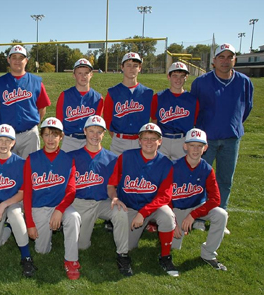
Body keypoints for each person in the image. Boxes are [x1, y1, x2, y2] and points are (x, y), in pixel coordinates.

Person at [190, 43, 253, 234]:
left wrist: (232, 125)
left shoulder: (244, 81)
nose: (225, 61)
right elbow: (194, 109)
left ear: (235, 59)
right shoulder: (201, 82)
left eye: (229, 57)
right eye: (221, 57)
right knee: (201, 178)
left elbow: (246, 108)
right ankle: (200, 216)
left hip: (231, 138)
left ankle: (220, 214)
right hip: (205, 140)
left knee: (225, 179)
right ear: (214, 61)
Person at [107, 123, 178, 277]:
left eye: (153, 139)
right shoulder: (126, 157)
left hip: (151, 207)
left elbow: (165, 196)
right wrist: (115, 198)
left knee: (168, 216)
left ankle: (165, 257)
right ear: (139, 140)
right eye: (145, 138)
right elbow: (112, 184)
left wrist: (144, 212)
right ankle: (127, 245)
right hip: (130, 207)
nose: (149, 142)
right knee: (129, 246)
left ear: (160, 141)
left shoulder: (165, 163)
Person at [67, 116, 130, 276]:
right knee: (82, 246)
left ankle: (123, 254)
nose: (95, 136)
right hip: (80, 203)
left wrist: (114, 197)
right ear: (85, 131)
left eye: (99, 132)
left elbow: (110, 186)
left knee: (121, 212)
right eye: (92, 131)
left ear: (104, 134)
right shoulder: (72, 156)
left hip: (102, 202)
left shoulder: (112, 158)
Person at [23, 117, 81, 280]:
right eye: (47, 134)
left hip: (60, 205)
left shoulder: (68, 159)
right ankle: (51, 229)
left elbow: (71, 191)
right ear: (42, 136)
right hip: (39, 206)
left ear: (61, 137)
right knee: (42, 250)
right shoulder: (32, 159)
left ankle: (71, 260)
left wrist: (60, 210)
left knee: (74, 217)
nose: (50, 139)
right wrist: (30, 224)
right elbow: (27, 194)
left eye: (54, 135)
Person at [0, 124, 36, 277]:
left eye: (8, 140)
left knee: (16, 214)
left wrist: (4, 204)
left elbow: (23, 193)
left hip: (12, 203)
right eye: (0, 140)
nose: (4, 144)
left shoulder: (20, 163)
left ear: (13, 143)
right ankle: (9, 229)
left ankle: (26, 257)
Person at [171, 128, 228, 271]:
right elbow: (164, 197)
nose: (195, 149)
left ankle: (208, 254)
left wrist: (193, 215)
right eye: (192, 145)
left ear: (205, 148)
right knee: (174, 246)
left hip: (197, 207)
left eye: (199, 146)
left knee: (221, 215)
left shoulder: (207, 169)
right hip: (176, 207)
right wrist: (173, 220)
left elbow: (215, 199)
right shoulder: (173, 167)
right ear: (185, 146)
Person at [0, 45, 51, 159]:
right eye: (14, 57)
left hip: (30, 134)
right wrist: (2, 125)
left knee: (30, 169)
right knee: (9, 171)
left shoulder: (36, 81)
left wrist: (34, 125)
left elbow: (42, 107)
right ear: (8, 60)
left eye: (21, 58)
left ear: (26, 61)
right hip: (6, 135)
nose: (17, 61)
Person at [103, 52, 154, 156]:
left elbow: (153, 118)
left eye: (135, 66)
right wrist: (116, 137)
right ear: (122, 67)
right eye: (128, 65)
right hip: (119, 141)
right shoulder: (113, 92)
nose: (132, 68)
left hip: (140, 142)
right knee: (117, 171)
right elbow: (107, 119)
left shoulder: (147, 93)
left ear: (140, 68)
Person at [151, 62, 198, 160]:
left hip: (183, 140)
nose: (178, 79)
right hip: (163, 140)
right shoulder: (158, 97)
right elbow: (154, 121)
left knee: (181, 172)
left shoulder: (193, 100)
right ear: (169, 77)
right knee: (160, 171)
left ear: (186, 77)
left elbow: (194, 123)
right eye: (175, 76)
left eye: (182, 76)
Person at [56, 58, 104, 152]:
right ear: (74, 75)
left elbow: (97, 124)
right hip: (69, 140)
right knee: (67, 166)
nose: (83, 76)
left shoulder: (98, 98)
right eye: (79, 73)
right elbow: (59, 120)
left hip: (89, 140)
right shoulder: (65, 95)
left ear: (91, 75)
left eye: (86, 73)